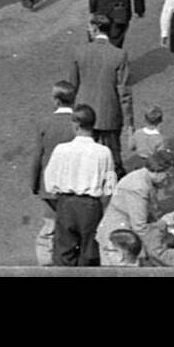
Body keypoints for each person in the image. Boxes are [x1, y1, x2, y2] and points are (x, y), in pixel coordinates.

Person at [39, 103, 115, 267]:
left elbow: (50, 180)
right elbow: (109, 186)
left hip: (66, 203)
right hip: (91, 206)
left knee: (64, 252)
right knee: (89, 254)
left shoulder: (62, 150)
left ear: (75, 125)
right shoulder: (103, 152)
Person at [69, 12, 134, 179]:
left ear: (96, 28)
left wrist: (70, 113)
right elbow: (124, 92)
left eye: (90, 27)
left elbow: (72, 86)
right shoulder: (119, 55)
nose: (88, 29)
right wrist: (129, 124)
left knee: (84, 157)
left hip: (84, 113)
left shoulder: (79, 52)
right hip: (109, 114)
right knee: (113, 158)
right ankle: (112, 191)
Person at [96, 147, 174, 266]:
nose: (169, 179)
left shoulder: (145, 180)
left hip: (125, 235)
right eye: (168, 174)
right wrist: (164, 224)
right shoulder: (138, 187)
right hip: (118, 242)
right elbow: (140, 227)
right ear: (157, 170)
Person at [28, 81, 78, 265]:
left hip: (49, 185)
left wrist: (34, 184)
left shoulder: (45, 123)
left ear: (56, 100)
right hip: (73, 185)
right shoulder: (78, 123)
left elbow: (37, 156)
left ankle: (46, 264)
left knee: (49, 225)